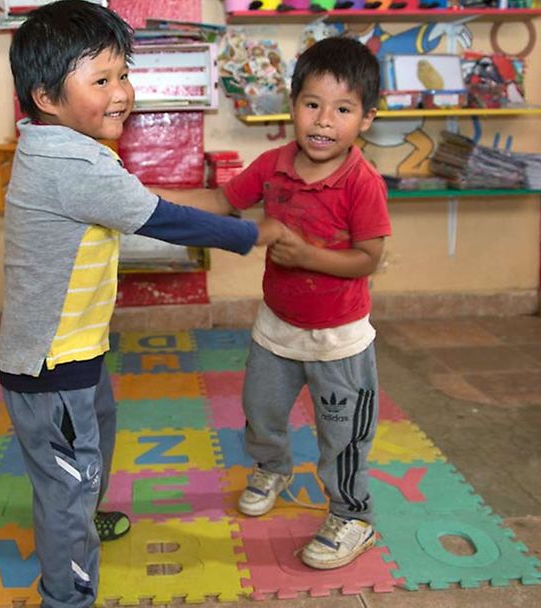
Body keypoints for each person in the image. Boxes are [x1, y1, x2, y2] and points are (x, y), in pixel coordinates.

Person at [0, 2, 284, 606]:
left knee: (89, 449)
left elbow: (139, 199)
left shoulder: (55, 145)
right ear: (47, 95)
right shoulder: (73, 162)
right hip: (52, 366)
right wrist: (251, 233)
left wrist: (226, 202)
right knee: (65, 480)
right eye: (101, 80)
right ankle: (67, 594)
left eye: (122, 74)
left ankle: (85, 509)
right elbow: (162, 219)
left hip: (73, 353)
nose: (122, 92)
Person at [156, 36, 391, 570]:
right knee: (260, 413)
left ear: (367, 119)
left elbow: (367, 259)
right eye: (312, 104)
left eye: (343, 109)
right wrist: (149, 198)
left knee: (342, 437)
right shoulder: (273, 164)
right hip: (276, 329)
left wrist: (307, 255)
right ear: (292, 105)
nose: (324, 121)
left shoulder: (362, 183)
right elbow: (221, 202)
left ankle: (352, 514)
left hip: (338, 341)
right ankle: (273, 467)